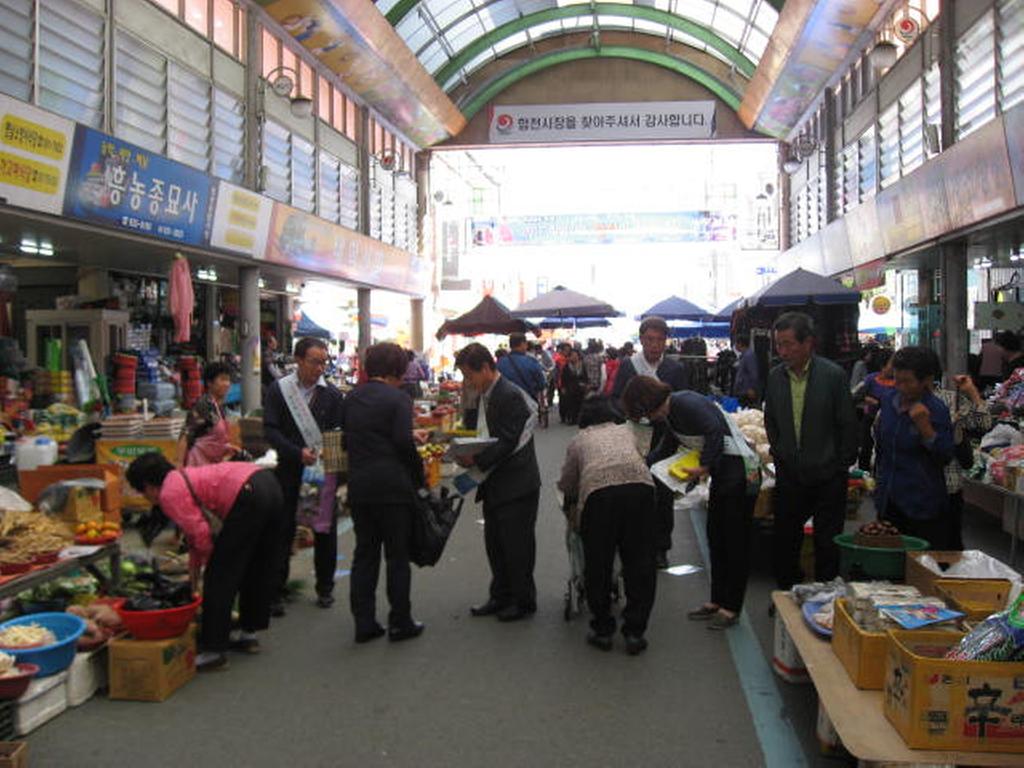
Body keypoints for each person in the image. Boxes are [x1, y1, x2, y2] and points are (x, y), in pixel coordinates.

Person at [126, 452, 285, 670]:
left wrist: (211, 565)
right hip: (269, 485)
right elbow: (193, 535)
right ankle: (248, 634)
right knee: (255, 566)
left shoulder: (169, 493)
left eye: (142, 492)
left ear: (148, 485)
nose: (147, 498)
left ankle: (214, 650)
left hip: (247, 495)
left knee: (220, 577)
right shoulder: (183, 476)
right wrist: (194, 566)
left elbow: (200, 534)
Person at [623, 376, 757, 630]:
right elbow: (667, 447)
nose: (645, 418)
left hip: (739, 473)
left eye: (642, 412)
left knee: (734, 541)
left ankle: (731, 606)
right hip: (722, 475)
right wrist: (641, 464)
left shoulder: (684, 403)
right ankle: (717, 600)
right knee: (715, 537)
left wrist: (704, 465)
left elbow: (714, 431)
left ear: (649, 402)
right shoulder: (670, 414)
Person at [764, 312, 858, 589]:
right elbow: (771, 420)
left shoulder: (833, 375)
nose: (783, 351)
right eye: (779, 345)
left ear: (808, 343)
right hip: (790, 473)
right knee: (786, 538)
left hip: (829, 474)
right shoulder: (775, 376)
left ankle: (825, 594)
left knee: (827, 540)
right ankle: (786, 594)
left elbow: (847, 423)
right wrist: (781, 454)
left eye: (788, 344)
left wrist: (840, 465)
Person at [558, 397, 655, 655]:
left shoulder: (579, 440)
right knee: (640, 563)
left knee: (598, 564)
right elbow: (641, 456)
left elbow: (567, 482)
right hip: (641, 491)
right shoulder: (627, 430)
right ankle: (635, 632)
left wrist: (570, 500)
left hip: (599, 499)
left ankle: (603, 630)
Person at [344, 343, 427, 643]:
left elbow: (348, 440)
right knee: (396, 556)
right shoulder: (398, 399)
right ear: (398, 369)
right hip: (393, 487)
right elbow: (402, 443)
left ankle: (364, 623)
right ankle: (399, 621)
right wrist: (419, 478)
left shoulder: (352, 398)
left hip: (360, 486)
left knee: (364, 554)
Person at [456, 343, 541, 622]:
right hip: (495, 484)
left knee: (517, 546)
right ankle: (500, 595)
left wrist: (475, 462)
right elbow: (473, 430)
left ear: (485, 367)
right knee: (495, 543)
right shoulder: (481, 394)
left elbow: (506, 441)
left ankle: (522, 600)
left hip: (517, 483)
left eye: (470, 376)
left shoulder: (508, 395)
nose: (468, 382)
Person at [263, 337, 345, 614]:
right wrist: (296, 452)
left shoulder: (332, 396)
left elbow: (338, 435)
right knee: (282, 530)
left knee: (324, 530)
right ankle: (275, 589)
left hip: (321, 474)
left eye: (324, 362)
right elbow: (270, 430)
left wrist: (332, 465)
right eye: (314, 362)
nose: (320, 368)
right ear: (298, 360)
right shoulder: (279, 390)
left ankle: (325, 588)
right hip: (288, 470)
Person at [611, 316, 689, 569]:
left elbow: (682, 402)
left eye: (659, 340)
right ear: (641, 340)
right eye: (649, 340)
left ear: (666, 342)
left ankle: (661, 547)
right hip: (632, 436)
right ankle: (634, 544)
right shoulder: (628, 365)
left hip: (664, 439)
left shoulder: (674, 370)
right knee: (634, 491)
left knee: (662, 493)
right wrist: (632, 415)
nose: (654, 345)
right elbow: (615, 399)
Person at [874, 346, 955, 548]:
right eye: (896, 380)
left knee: (921, 566)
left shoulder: (936, 410)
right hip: (888, 499)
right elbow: (883, 447)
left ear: (926, 380)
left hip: (922, 504)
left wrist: (925, 429)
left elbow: (945, 456)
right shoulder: (888, 401)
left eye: (907, 381)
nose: (900, 387)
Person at [926, 352, 992, 550]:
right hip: (914, 489)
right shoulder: (896, 400)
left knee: (946, 549)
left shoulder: (950, 399)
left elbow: (984, 423)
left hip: (947, 486)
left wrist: (971, 391)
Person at [177, 361, 241, 466]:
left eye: (228, 380)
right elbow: (186, 433)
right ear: (209, 383)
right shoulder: (204, 405)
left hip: (211, 463)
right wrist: (178, 463)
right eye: (222, 379)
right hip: (197, 463)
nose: (227, 384)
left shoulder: (220, 407)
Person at [854, 348, 895, 471]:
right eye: (892, 364)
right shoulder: (871, 379)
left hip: (888, 422)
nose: (894, 368)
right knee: (866, 449)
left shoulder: (898, 382)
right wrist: (871, 401)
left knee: (884, 450)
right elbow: (855, 395)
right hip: (869, 419)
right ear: (883, 365)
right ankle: (863, 478)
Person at [497, 332, 547, 402]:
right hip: (528, 405)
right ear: (523, 344)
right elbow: (541, 384)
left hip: (505, 404)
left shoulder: (500, 363)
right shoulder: (531, 362)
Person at [558, 348, 587, 424]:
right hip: (570, 388)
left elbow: (586, 376)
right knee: (570, 404)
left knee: (580, 403)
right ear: (569, 357)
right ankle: (571, 419)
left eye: (575, 355)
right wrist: (563, 388)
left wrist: (585, 384)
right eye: (572, 356)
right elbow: (563, 378)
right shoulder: (566, 367)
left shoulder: (582, 365)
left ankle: (580, 418)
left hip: (581, 388)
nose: (574, 357)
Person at [732, 336, 761, 406]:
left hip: (746, 392)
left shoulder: (749, 356)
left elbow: (754, 374)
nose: (735, 346)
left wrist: (752, 388)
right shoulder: (744, 356)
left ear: (740, 344)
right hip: (742, 391)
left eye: (736, 343)